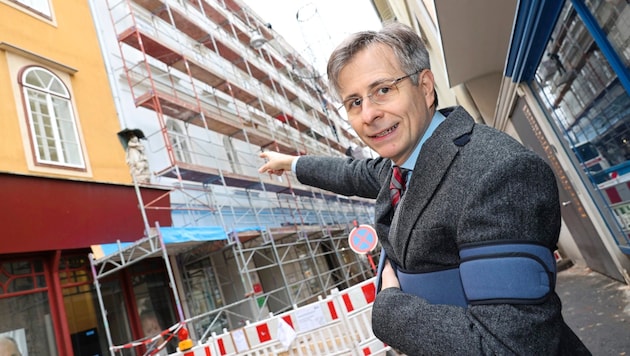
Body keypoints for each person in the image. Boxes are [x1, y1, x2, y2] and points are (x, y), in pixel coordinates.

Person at [259, 22, 590, 355]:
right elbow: (351, 173)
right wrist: (291, 164)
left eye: (383, 90)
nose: (369, 114)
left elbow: (507, 346)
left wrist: (389, 310)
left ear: (426, 87)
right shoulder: (401, 167)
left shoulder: (497, 172)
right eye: (354, 102)